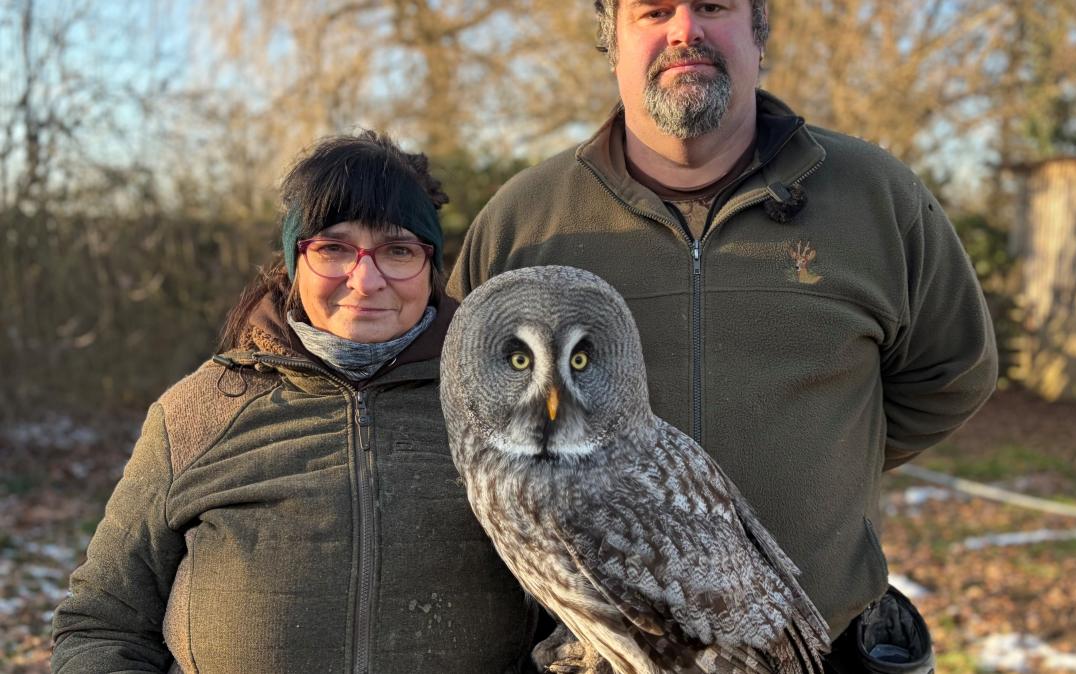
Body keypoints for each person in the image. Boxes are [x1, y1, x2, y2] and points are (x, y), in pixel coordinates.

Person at [448, 1, 998, 670]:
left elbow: (952, 375)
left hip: (810, 647)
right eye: (653, 11)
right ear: (613, 43)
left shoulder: (876, 197)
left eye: (712, 6)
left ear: (758, 35)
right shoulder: (525, 219)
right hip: (607, 650)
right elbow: (466, 404)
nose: (685, 31)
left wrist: (830, 461)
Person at [52, 130, 536, 673]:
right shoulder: (196, 413)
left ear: (430, 268)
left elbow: (575, 628)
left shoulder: (509, 412)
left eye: (398, 250)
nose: (365, 279)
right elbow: (102, 624)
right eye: (333, 248)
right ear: (295, 261)